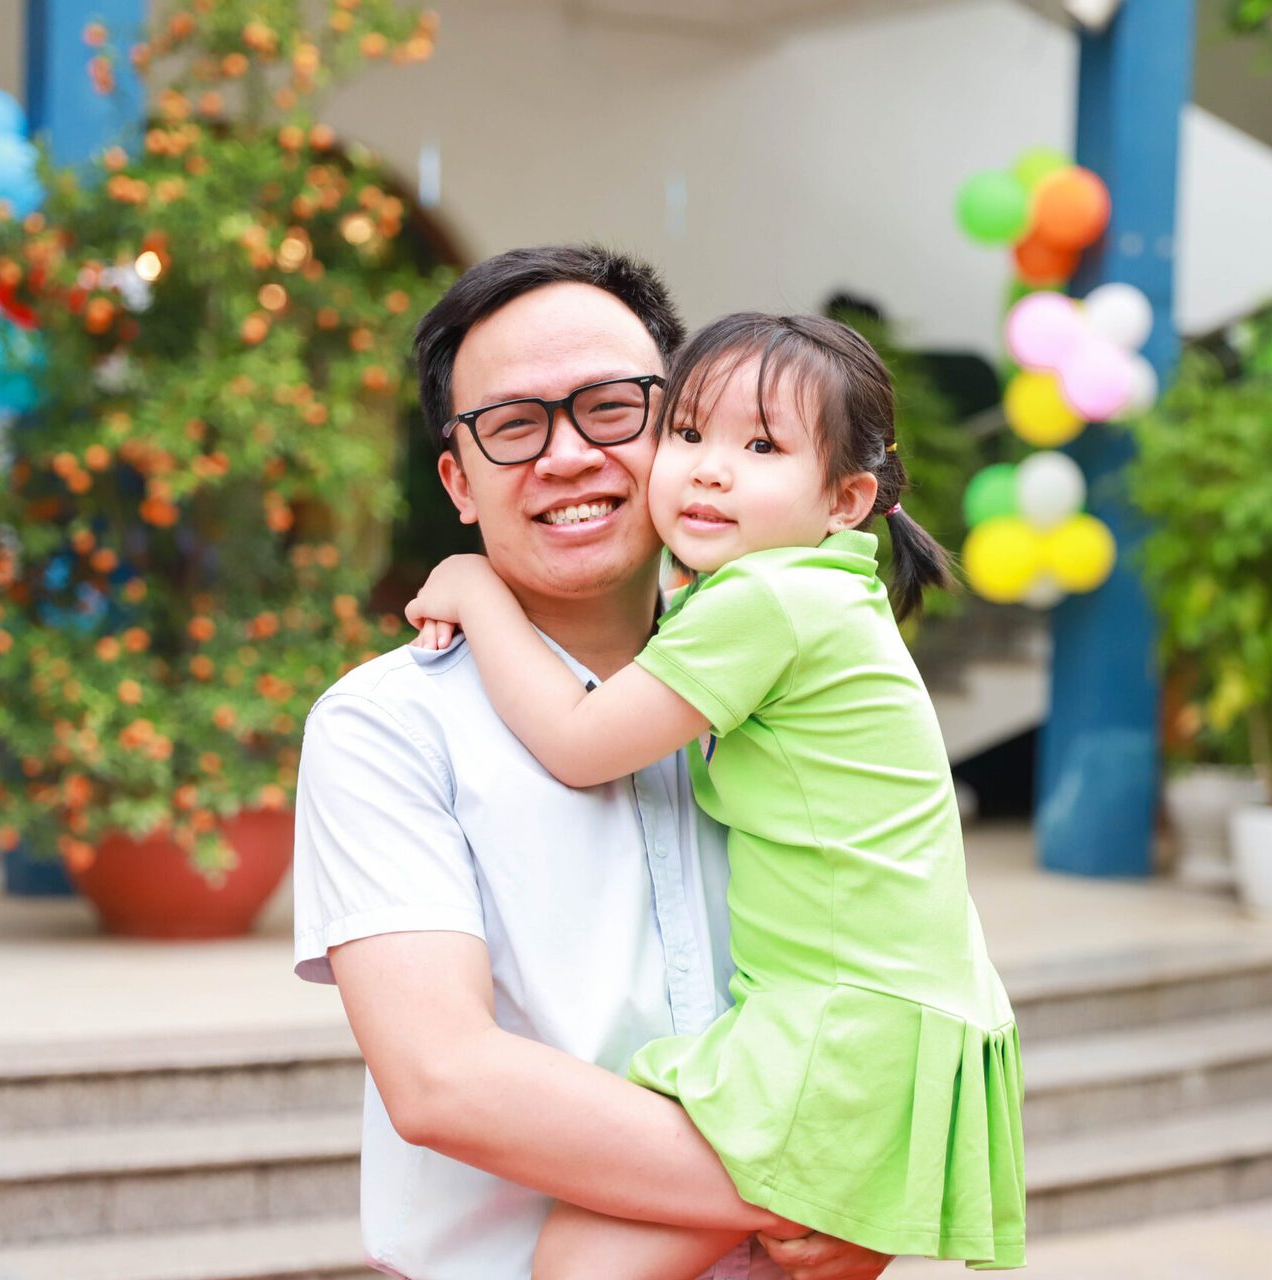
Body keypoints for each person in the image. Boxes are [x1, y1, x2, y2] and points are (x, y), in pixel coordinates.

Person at [292, 247, 891, 1280]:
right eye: (513, 425)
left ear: (681, 430)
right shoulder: (387, 726)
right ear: (459, 480)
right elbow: (443, 1076)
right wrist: (825, 1187)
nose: (567, 455)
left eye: (613, 408)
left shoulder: (804, 678)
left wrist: (868, 1173)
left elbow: (900, 954)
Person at [406, 313, 1026, 1275]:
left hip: (841, 1025)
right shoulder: (819, 590)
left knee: (577, 1265)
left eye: (762, 447)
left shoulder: (766, 602)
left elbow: (578, 744)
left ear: (846, 499)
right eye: (689, 434)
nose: (709, 471)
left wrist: (477, 588)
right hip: (890, 1016)